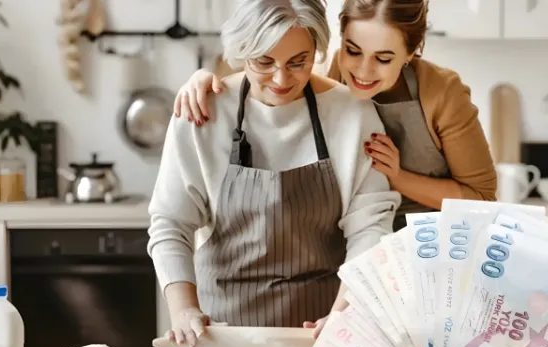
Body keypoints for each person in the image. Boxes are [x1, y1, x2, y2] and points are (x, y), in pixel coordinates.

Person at [147, 0, 400, 347]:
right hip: (220, 335)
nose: (282, 79)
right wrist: (184, 310)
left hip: (322, 335)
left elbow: (371, 226)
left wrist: (346, 311)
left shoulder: (352, 112)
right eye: (264, 62)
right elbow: (170, 223)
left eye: (299, 62)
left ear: (317, 50)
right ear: (242, 51)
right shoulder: (204, 110)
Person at [171, 0, 498, 232]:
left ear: (412, 52)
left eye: (384, 59)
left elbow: (481, 198)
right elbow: (272, 76)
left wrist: (397, 177)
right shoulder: (331, 79)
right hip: (359, 251)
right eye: (353, 51)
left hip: (435, 247)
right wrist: (204, 80)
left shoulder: (442, 92)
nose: (363, 72)